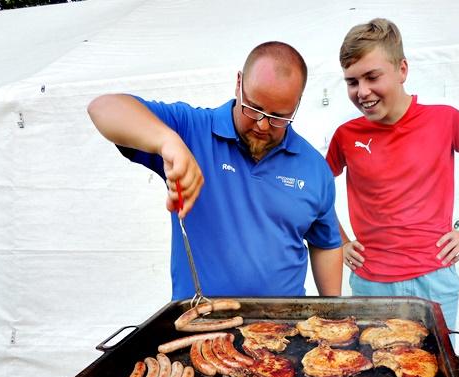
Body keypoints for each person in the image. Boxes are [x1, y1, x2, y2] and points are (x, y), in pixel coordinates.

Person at [88, 42, 342, 300]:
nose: (263, 125)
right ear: (239, 83)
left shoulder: (314, 167)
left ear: (297, 104)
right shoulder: (191, 130)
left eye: (278, 117)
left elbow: (326, 244)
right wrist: (167, 141)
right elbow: (103, 107)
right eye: (253, 108)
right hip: (202, 319)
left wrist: (334, 312)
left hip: (286, 322)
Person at [326, 19, 459, 329]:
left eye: (372, 77)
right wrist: (341, 241)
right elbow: (316, 192)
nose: (363, 91)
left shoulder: (446, 119)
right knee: (375, 360)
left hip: (435, 281)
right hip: (372, 285)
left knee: (439, 360)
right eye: (352, 82)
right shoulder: (345, 135)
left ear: (402, 70)